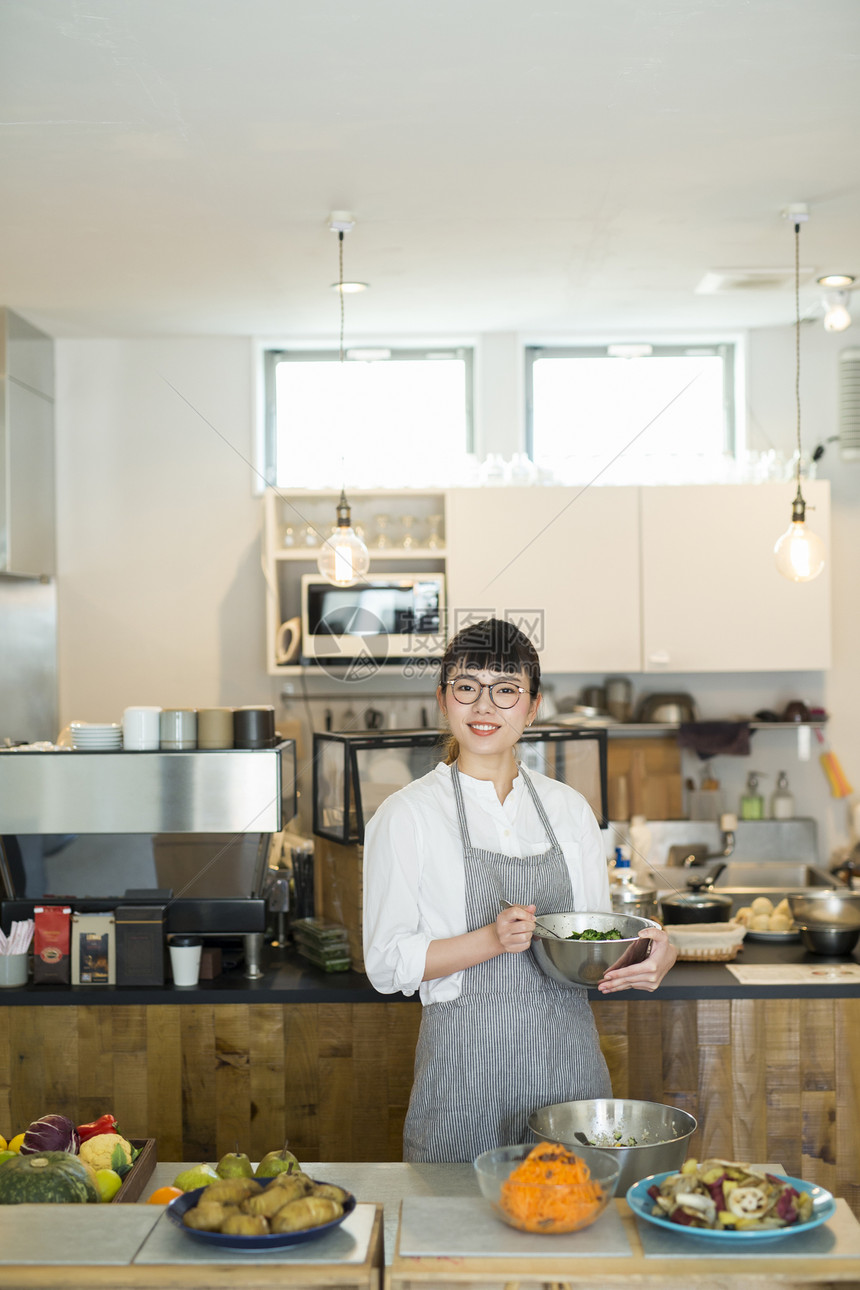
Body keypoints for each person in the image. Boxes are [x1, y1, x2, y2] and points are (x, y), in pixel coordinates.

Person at [362, 617, 677, 1163]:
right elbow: (387, 965)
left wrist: (653, 948)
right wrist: (489, 939)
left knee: (572, 1232)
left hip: (567, 1073)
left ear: (531, 707)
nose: (484, 707)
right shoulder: (408, 814)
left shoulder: (568, 810)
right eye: (468, 687)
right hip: (462, 1083)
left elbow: (595, 942)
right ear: (444, 699)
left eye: (506, 690)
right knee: (455, 1237)